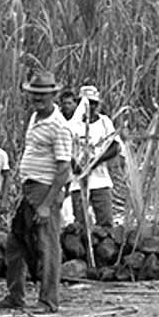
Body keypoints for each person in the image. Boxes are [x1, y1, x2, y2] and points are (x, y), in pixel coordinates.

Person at [0, 72, 74, 313]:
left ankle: (49, 300)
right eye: (35, 94)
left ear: (53, 95)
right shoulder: (35, 118)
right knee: (15, 242)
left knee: (47, 244)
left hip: (44, 189)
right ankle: (15, 295)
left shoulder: (58, 126)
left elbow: (64, 168)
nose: (38, 99)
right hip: (30, 187)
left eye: (43, 95)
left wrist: (47, 203)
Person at [70, 85, 120, 229]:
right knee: (80, 226)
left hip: (100, 181)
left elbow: (115, 146)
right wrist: (77, 167)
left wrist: (96, 161)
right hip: (78, 183)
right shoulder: (72, 124)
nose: (89, 106)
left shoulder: (104, 122)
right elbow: (64, 150)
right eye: (85, 102)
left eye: (93, 103)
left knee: (106, 223)